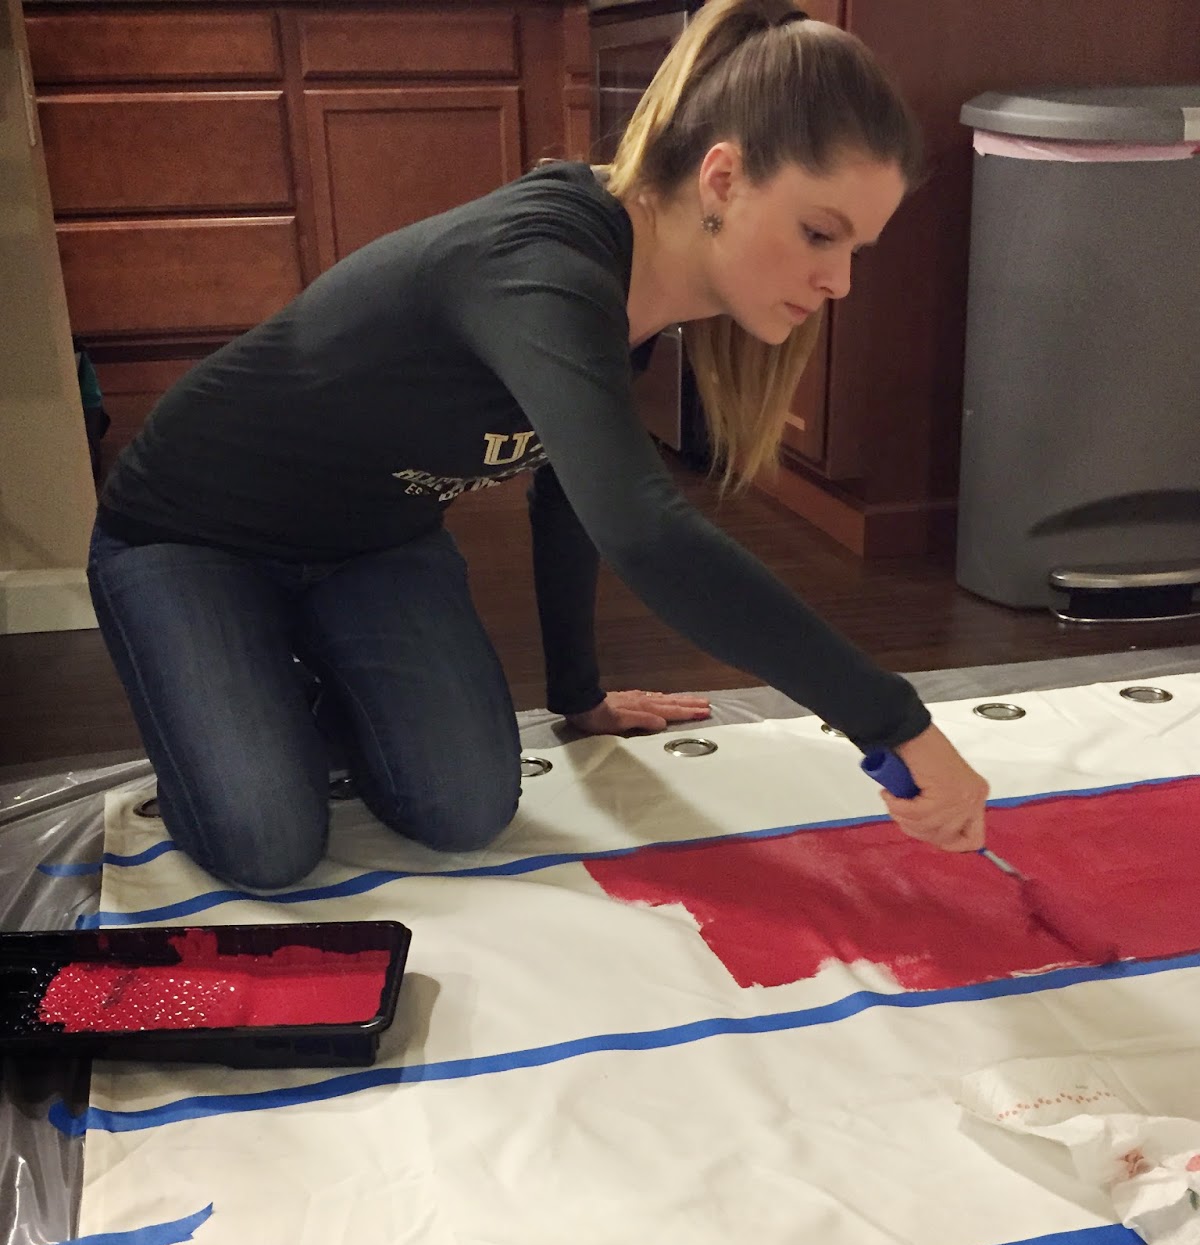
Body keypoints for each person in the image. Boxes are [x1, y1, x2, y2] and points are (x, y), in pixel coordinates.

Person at [88, 0, 989, 893]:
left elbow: (567, 487)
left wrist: (578, 695)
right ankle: (250, 672)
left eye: (857, 250)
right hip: (193, 531)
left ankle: (293, 670)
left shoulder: (639, 290)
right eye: (820, 233)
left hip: (370, 543)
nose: (838, 281)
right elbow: (646, 534)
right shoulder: (543, 265)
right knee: (265, 844)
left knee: (466, 809)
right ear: (722, 178)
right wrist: (894, 723)